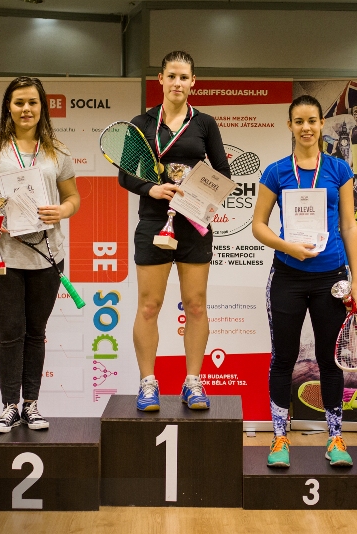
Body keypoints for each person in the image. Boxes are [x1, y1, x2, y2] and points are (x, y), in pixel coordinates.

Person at [253, 95, 357, 468]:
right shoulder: (276, 172)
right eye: (299, 121)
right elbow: (258, 226)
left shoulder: (338, 169)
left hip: (331, 279)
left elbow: (349, 226)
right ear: (290, 125)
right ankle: (279, 437)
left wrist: (356, 280)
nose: (306, 128)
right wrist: (289, 247)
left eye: (312, 121)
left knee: (329, 360)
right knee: (283, 358)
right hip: (288, 276)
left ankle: (335, 438)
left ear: (321, 124)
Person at [117, 51, 230, 411]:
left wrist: (195, 193)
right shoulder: (141, 123)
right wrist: (152, 189)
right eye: (172, 76)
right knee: (149, 306)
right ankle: (148, 383)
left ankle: (193, 382)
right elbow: (125, 175)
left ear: (193, 82)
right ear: (161, 80)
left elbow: (223, 173)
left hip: (193, 223)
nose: (178, 83)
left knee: (195, 305)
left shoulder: (205, 123)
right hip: (154, 222)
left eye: (184, 77)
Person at [0, 76, 80, 433]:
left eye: (32, 102)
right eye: (19, 102)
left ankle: (31, 405)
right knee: (9, 332)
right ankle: (8, 407)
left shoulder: (58, 152)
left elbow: (73, 198)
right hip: (1, 255)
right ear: (8, 107)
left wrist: (62, 211)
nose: (26, 109)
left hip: (46, 256)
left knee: (35, 332)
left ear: (42, 107)